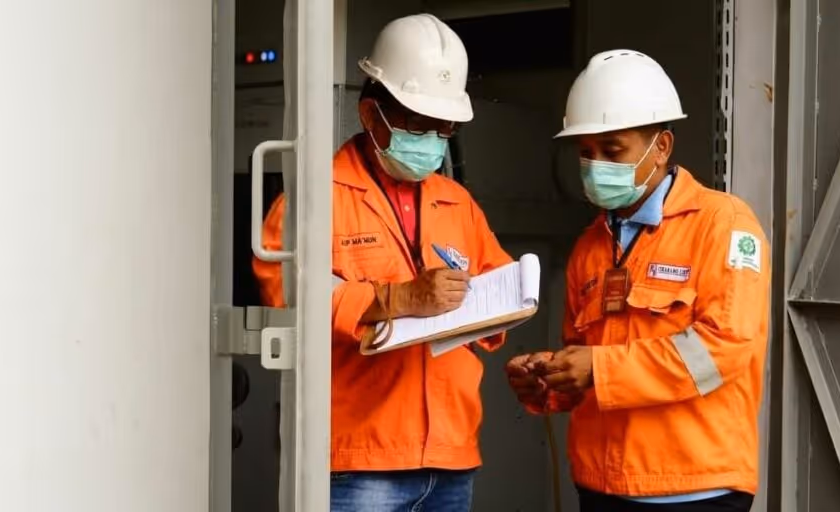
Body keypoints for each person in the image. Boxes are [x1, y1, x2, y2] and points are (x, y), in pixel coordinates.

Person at [253, 13, 511, 512]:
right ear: (372, 115)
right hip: (358, 463)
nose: (434, 140)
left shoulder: (457, 201)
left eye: (444, 127)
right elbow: (289, 293)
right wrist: (398, 299)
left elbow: (497, 286)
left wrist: (504, 304)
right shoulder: (314, 199)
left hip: (450, 457)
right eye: (420, 125)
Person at [506, 50, 770, 512]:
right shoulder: (589, 246)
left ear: (661, 147)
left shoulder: (723, 224)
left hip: (694, 490)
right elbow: (585, 359)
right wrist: (550, 379)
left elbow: (723, 350)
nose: (594, 166)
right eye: (586, 152)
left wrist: (598, 369)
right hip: (602, 486)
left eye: (612, 150)